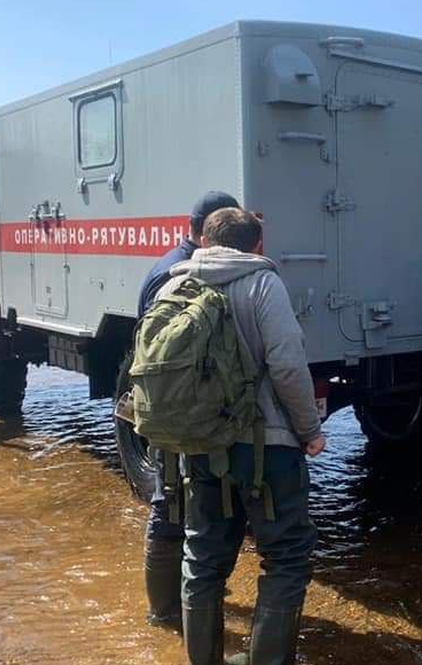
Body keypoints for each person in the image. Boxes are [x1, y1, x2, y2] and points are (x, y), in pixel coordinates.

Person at [159, 207, 327, 665]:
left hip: (198, 443)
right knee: (287, 557)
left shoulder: (175, 284)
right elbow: (288, 365)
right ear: (256, 245)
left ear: (204, 240)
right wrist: (309, 431)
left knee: (204, 555)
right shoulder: (262, 282)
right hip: (266, 446)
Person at [134, 189, 240, 631]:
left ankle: (177, 604)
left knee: (177, 501)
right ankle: (164, 612)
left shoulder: (166, 266)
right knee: (170, 502)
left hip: (167, 405)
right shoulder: (182, 275)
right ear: (201, 233)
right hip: (179, 407)